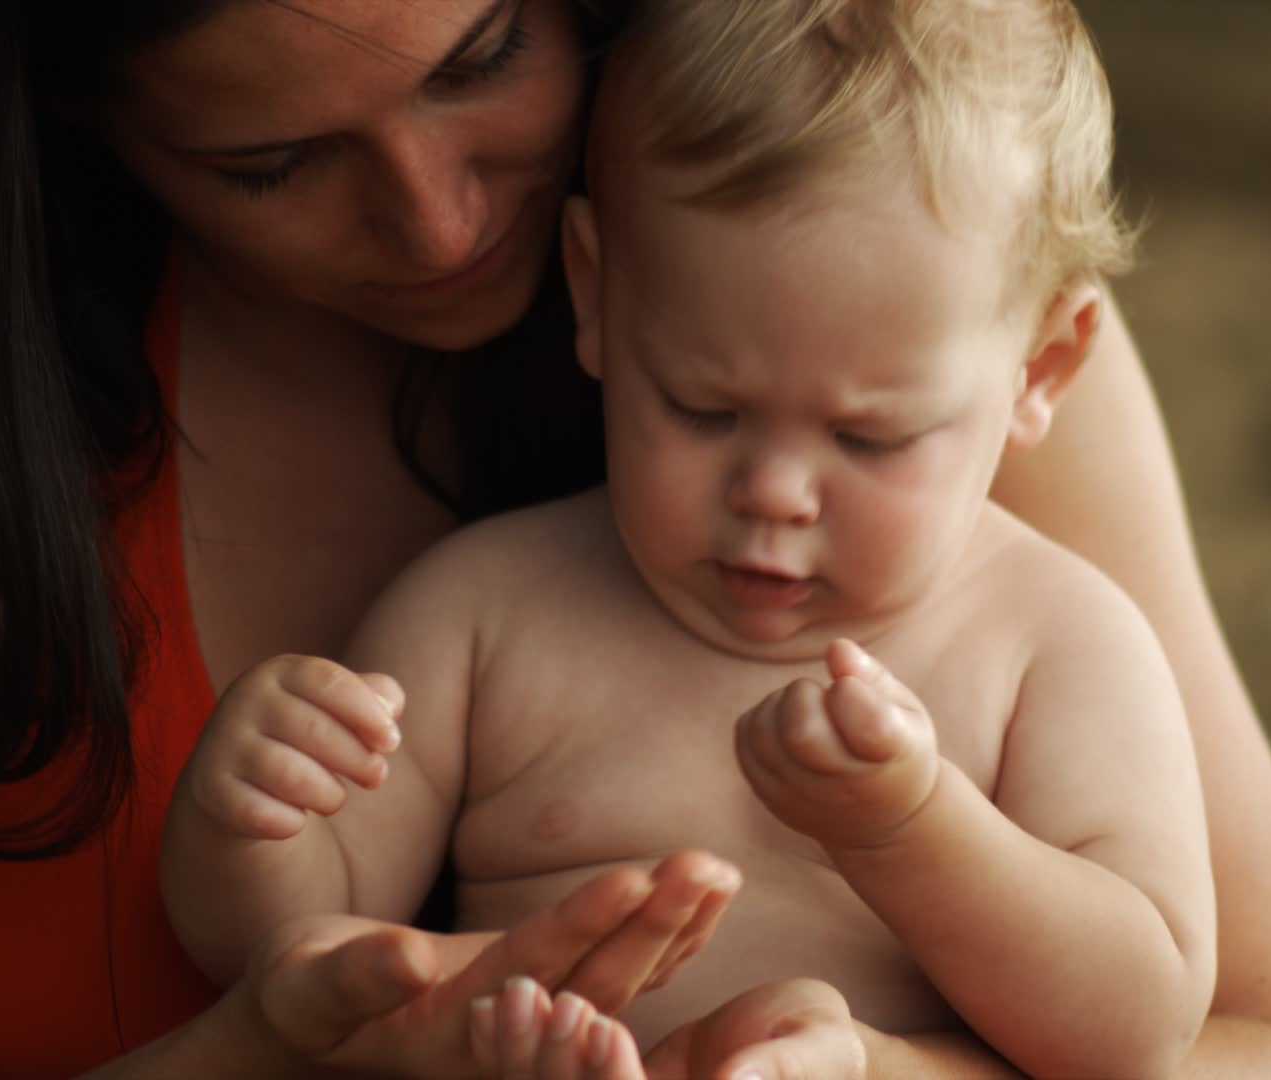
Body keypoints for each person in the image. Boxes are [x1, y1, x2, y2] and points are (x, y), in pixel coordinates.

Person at [0, 0, 1271, 1078]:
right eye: (268, 160)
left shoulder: (884, 248)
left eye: (481, 55)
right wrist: (282, 938)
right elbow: (304, 933)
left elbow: (1232, 1038)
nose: (433, 226)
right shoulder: (500, 604)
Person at [167, 1, 1217, 1076]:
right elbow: (286, 957)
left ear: (1042, 370)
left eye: (870, 436)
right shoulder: (485, 611)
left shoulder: (1054, 641)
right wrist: (252, 817)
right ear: (598, 297)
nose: (773, 494)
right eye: (703, 410)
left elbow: (1139, 1029)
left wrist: (910, 826)